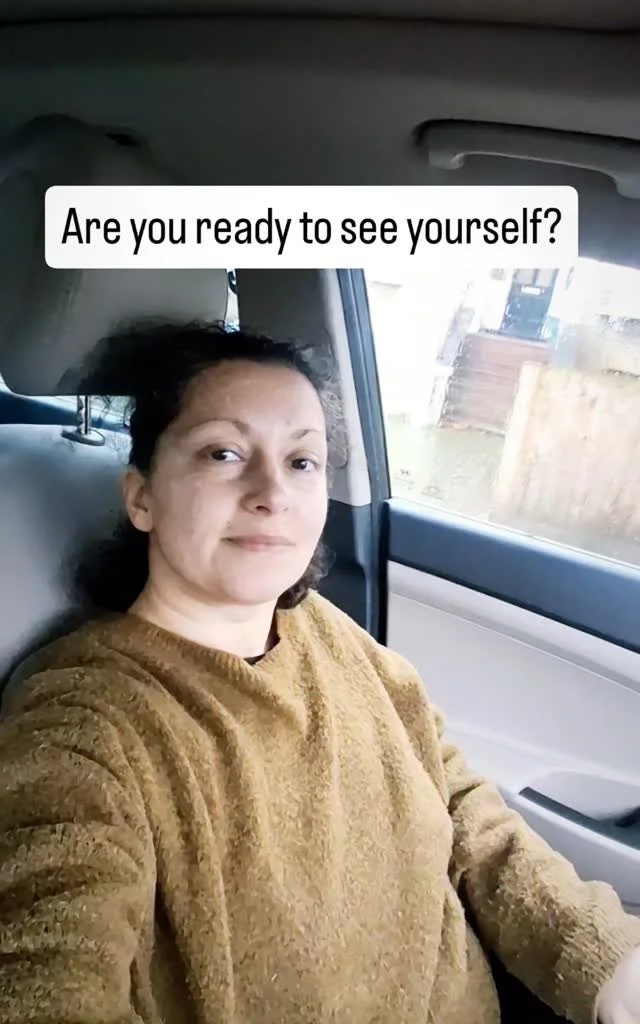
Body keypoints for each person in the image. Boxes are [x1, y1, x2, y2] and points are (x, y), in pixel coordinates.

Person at [0, 319, 638, 1024]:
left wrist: (605, 956)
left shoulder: (325, 632)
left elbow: (458, 802)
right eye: (223, 453)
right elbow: (50, 969)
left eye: (302, 462)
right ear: (142, 497)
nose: (272, 491)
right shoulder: (81, 723)